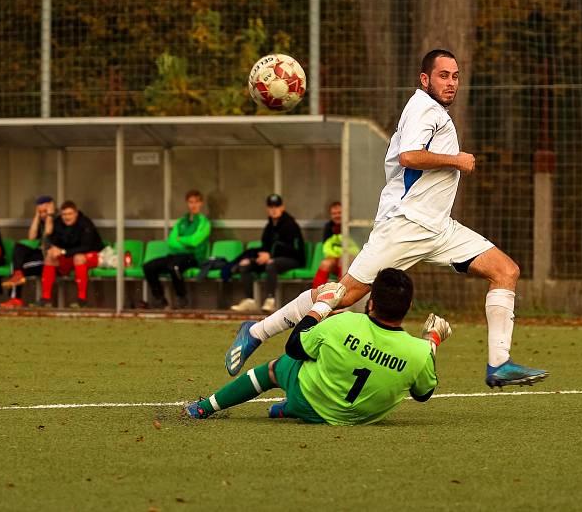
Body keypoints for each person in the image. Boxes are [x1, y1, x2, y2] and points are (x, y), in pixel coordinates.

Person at [225, 49, 548, 389]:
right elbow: (409, 156)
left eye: (455, 76)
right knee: (342, 296)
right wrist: (456, 160)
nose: (451, 83)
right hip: (406, 224)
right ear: (425, 79)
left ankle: (499, 363)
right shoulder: (423, 108)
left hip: (439, 227)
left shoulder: (434, 111)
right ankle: (257, 331)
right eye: (443, 75)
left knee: (505, 271)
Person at [190, 269, 451, 424]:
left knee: (277, 367)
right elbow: (423, 394)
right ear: (408, 308)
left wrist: (322, 306)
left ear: (370, 304)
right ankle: (285, 408)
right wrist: (432, 340)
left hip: (310, 403)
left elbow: (294, 347)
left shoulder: (344, 323)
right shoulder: (420, 352)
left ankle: (205, 407)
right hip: (360, 418)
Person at [229, 194, 305, 313]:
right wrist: (253, 259)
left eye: (277, 206)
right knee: (245, 265)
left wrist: (271, 256)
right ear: (267, 209)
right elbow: (265, 247)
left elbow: (294, 250)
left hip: (293, 259)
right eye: (271, 207)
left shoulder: (291, 225)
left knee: (271, 264)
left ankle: (270, 300)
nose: (274, 209)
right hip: (272, 258)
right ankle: (250, 301)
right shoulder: (269, 226)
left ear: (282, 207)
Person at [143, 189, 211, 309]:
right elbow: (171, 241)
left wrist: (181, 239)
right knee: (148, 266)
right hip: (176, 255)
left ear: (201, 203)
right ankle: (160, 299)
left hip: (194, 257)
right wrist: (184, 241)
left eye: (196, 202)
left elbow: (194, 241)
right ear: (187, 203)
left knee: (174, 267)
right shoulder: (181, 222)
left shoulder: (204, 222)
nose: (193, 205)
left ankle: (182, 297)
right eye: (190, 202)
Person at [38, 200, 104, 308]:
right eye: (64, 214)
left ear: (76, 213)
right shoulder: (58, 222)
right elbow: (53, 239)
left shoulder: (85, 223)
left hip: (90, 256)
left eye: (70, 214)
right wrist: (53, 249)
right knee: (50, 258)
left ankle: (82, 299)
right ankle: (46, 298)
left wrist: (63, 251)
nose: (67, 217)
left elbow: (86, 247)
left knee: (78, 257)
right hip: (68, 257)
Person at [0, 195, 55, 308]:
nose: (43, 214)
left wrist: (50, 215)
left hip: (51, 260)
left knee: (17, 266)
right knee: (19, 249)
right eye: (40, 211)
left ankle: (15, 299)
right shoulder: (40, 219)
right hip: (40, 254)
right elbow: (31, 237)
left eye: (45, 211)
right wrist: (37, 216)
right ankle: (17, 282)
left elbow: (48, 232)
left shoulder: (57, 219)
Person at [311, 201, 359, 288]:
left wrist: (342, 254)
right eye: (334, 213)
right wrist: (338, 254)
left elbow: (356, 248)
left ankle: (341, 291)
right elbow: (326, 248)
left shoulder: (353, 225)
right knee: (325, 263)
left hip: (352, 261)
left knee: (344, 259)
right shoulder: (328, 227)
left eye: (339, 213)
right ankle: (316, 293)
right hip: (335, 259)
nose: (337, 216)